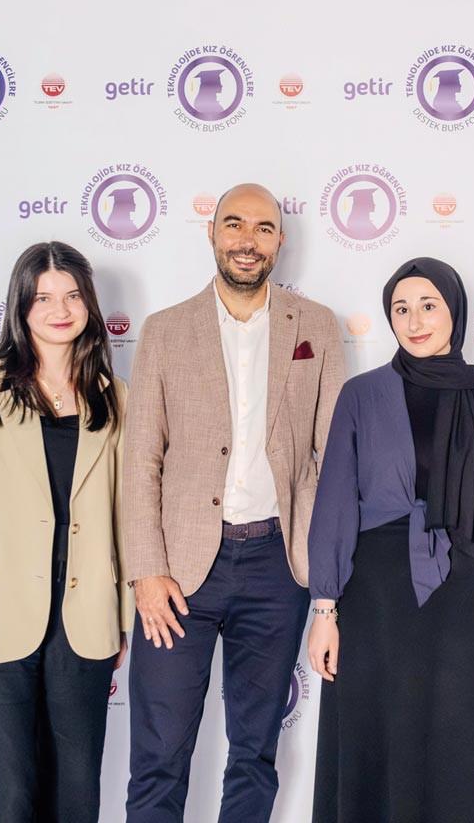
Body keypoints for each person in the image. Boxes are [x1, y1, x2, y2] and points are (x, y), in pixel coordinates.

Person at [124, 183, 345, 823]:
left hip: (278, 567)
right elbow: (140, 460)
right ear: (212, 233)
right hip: (178, 574)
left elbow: (334, 459)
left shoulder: (317, 326)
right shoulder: (165, 331)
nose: (248, 240)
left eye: (263, 228)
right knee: (159, 756)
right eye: (235, 224)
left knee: (254, 754)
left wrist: (326, 583)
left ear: (280, 240)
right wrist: (146, 570)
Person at [308, 257, 474, 823]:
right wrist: (325, 609)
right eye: (401, 309)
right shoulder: (361, 394)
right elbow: (334, 501)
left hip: (467, 587)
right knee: (380, 733)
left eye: (428, 306)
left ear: (454, 311)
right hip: (377, 595)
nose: (414, 321)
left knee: (458, 735)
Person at [0, 241, 129, 822]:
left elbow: (124, 515)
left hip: (84, 615)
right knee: (7, 794)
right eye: (43, 298)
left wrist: (121, 618)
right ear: (20, 305)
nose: (60, 310)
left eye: (72, 296)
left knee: (75, 794)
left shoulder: (114, 397)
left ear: (89, 304)